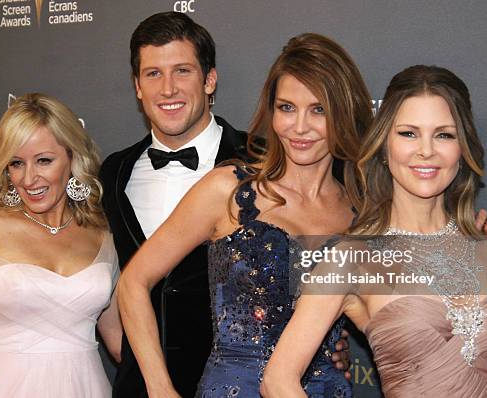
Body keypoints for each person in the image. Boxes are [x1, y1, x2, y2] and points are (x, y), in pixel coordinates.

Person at [99, 13, 350, 398]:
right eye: (286, 108)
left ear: (209, 79)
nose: (300, 127)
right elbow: (126, 280)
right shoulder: (115, 173)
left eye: (182, 70)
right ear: (137, 85)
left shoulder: (352, 200)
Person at [261, 65, 487, 397]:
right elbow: (277, 381)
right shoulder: (351, 259)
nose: (426, 150)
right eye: (408, 133)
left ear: (462, 149)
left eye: (444, 134)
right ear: (384, 145)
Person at [0, 93, 122, 398]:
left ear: (72, 157)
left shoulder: (101, 234)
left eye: (44, 161)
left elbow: (117, 340)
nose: (28, 178)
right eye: (16, 163)